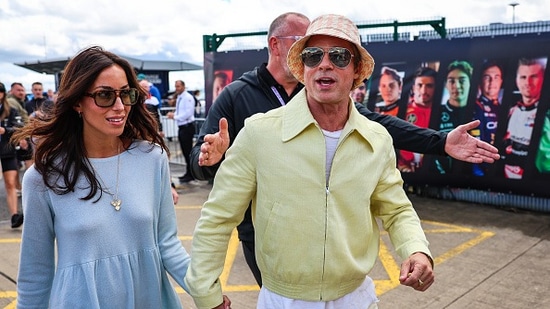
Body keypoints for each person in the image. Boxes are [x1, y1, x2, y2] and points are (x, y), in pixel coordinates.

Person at [190, 12, 500, 287]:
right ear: (286, 53)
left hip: (353, 293)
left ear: (356, 72)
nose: (324, 64)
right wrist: (212, 160)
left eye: (339, 57)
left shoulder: (368, 133)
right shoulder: (249, 115)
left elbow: (395, 204)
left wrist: (440, 142)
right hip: (274, 264)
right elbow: (216, 212)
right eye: (311, 53)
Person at [13, 46, 225, 309]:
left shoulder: (153, 158)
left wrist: (208, 295)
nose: (119, 107)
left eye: (126, 94)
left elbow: (167, 243)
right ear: (77, 101)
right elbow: (35, 273)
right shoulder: (43, 177)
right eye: (104, 95)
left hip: (149, 299)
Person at [502, 57, 546, 179]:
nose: (528, 82)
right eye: (523, 77)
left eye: (534, 76)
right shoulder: (510, 111)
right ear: (517, 81)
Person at [435, 60, 473, 174]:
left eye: (461, 80)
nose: (456, 86)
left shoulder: (479, 112)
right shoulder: (436, 113)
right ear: (446, 85)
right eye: (451, 81)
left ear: (470, 83)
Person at [398, 66, 438, 172]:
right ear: (413, 88)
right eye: (420, 85)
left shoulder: (442, 113)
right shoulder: (401, 112)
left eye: (429, 86)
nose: (424, 90)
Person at [471, 60, 503, 176]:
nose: (492, 81)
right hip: (480, 169)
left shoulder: (507, 109)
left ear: (501, 81)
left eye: (496, 77)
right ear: (480, 81)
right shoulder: (474, 107)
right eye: (487, 77)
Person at [0, 82, 24, 228]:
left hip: (7, 151)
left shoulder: (11, 110)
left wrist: (5, 130)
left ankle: (15, 216)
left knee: (10, 183)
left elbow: (18, 128)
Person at [167, 80, 196, 183]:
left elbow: (188, 113)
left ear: (183, 86)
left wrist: (174, 116)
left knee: (188, 151)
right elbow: (181, 111)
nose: (176, 88)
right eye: (175, 86)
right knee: (185, 151)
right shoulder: (180, 97)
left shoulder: (188, 98)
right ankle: (189, 173)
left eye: (178, 86)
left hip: (187, 127)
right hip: (182, 127)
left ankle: (191, 173)